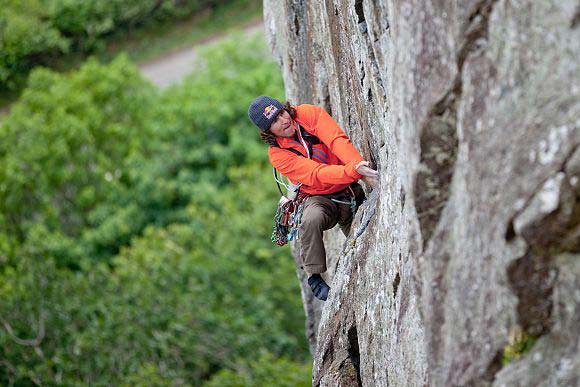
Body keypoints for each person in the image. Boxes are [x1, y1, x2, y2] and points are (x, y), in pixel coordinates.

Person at [247, 96, 379, 301]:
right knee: (310, 219)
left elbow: (336, 140)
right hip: (319, 197)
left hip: (349, 193)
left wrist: (358, 166)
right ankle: (314, 276)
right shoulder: (278, 155)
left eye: (281, 113)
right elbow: (315, 173)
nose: (283, 120)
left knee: (370, 251)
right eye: (274, 121)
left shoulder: (308, 114)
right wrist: (354, 170)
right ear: (268, 131)